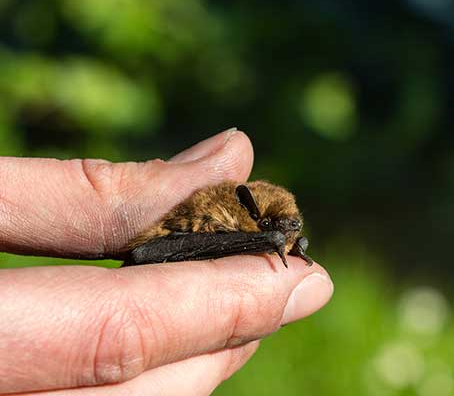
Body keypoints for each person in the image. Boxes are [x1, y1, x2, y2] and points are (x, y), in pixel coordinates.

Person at [0, 129, 334, 395]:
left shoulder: (271, 233)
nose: (286, 235)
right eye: (273, 228)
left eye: (292, 229)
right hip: (166, 245)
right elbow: (149, 251)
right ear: (250, 215)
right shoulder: (220, 218)